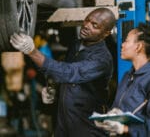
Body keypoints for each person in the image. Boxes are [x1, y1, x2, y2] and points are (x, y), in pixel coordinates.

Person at [10, 7, 116, 137]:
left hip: (87, 126)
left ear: (106, 33)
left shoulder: (102, 59)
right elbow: (64, 76)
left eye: (95, 25)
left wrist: (32, 52)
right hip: (64, 122)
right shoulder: (76, 45)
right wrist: (55, 90)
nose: (87, 26)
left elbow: (69, 73)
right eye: (87, 20)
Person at [94, 23, 150, 137]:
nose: (122, 45)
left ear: (138, 47)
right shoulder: (128, 76)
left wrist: (125, 129)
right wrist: (109, 118)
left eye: (126, 41)